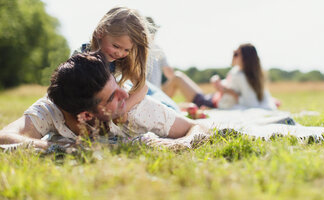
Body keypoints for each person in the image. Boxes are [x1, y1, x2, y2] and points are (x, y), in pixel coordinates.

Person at [0, 53, 205, 150]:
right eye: (112, 97)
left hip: (154, 96)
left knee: (178, 110)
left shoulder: (134, 108)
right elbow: (5, 137)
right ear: (86, 115)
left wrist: (184, 143)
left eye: (115, 86)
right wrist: (62, 148)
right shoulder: (51, 109)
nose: (123, 96)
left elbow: (197, 127)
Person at [76, 6, 180, 112]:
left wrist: (124, 109)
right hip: (99, 98)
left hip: (125, 92)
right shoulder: (82, 58)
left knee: (165, 107)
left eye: (126, 50)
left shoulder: (121, 60)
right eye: (116, 46)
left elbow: (142, 88)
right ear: (100, 32)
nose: (120, 53)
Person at [163, 43, 278, 110]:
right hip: (212, 98)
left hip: (211, 103)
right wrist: (220, 84)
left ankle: (159, 102)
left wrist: (228, 91)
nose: (233, 56)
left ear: (245, 58)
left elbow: (250, 103)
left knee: (177, 78)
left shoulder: (243, 77)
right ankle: (161, 102)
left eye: (236, 54)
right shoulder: (238, 72)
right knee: (178, 81)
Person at [145, 16, 175, 90]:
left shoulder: (133, 47)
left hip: (151, 90)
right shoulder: (157, 48)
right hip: (151, 91)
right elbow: (170, 74)